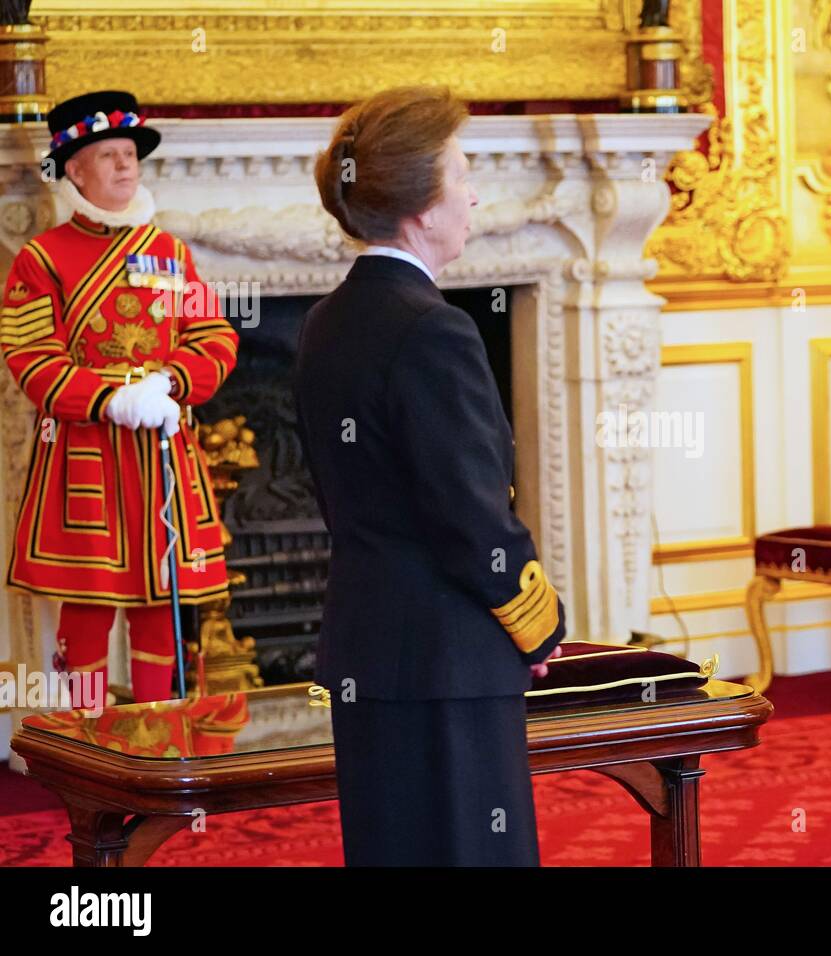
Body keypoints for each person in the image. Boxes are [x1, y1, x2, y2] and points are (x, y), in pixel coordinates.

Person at [295, 85, 565, 866]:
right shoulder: (433, 329)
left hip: (368, 648)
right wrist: (537, 621)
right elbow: (468, 514)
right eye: (462, 171)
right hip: (450, 660)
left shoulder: (326, 320)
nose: (475, 190)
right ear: (420, 206)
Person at [0, 90, 237, 709]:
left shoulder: (172, 253)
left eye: (130, 154)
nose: (126, 167)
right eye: (109, 156)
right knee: (89, 606)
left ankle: (158, 748)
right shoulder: (41, 258)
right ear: (75, 169)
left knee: (163, 603)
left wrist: (173, 382)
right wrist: (110, 399)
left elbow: (214, 336)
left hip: (161, 452)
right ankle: (91, 753)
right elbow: (30, 358)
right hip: (86, 452)